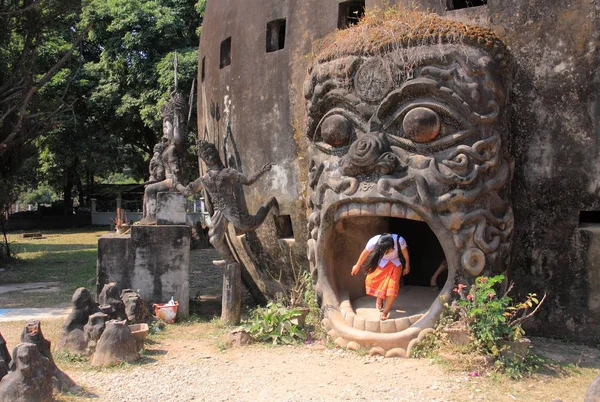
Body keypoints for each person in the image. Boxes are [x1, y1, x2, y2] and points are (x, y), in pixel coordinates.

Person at [351, 233, 410, 321]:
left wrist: (407, 266)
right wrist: (357, 265)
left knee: (392, 287)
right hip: (382, 262)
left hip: (395, 263)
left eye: (390, 250)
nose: (388, 252)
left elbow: (405, 253)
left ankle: (385, 312)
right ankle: (380, 297)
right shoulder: (374, 241)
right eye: (385, 251)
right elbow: (365, 253)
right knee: (371, 280)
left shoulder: (399, 240)